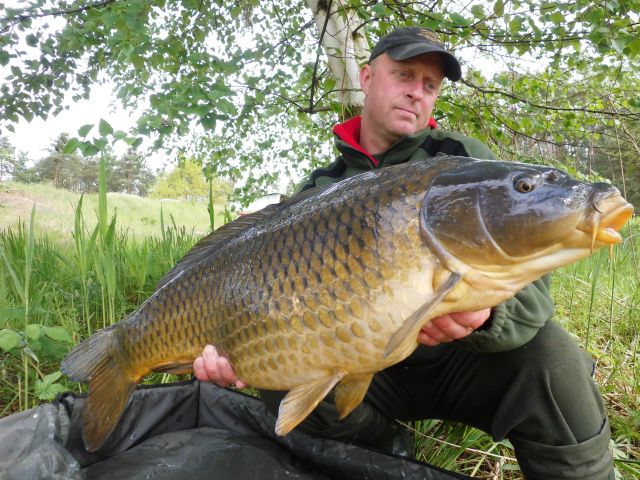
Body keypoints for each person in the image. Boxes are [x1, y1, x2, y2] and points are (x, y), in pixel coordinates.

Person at [193, 27, 614, 479]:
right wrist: (235, 352)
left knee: (554, 359)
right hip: (372, 370)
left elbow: (536, 298)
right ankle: (384, 447)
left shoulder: (462, 162)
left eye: (429, 85)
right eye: (405, 75)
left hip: (462, 362)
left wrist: (489, 317)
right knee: (284, 384)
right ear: (368, 77)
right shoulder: (319, 190)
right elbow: (275, 306)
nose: (416, 92)